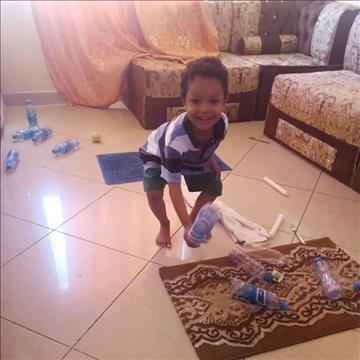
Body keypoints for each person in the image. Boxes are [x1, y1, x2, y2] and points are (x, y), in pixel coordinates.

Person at [139, 56, 229, 249]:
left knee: (214, 185)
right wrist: (186, 227)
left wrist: (208, 158)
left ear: (224, 102)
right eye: (196, 101)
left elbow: (213, 143)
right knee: (153, 191)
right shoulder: (175, 140)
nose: (205, 109)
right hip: (157, 152)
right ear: (184, 101)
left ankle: (194, 219)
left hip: (189, 155)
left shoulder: (222, 123)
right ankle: (164, 224)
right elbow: (174, 189)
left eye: (214, 101)